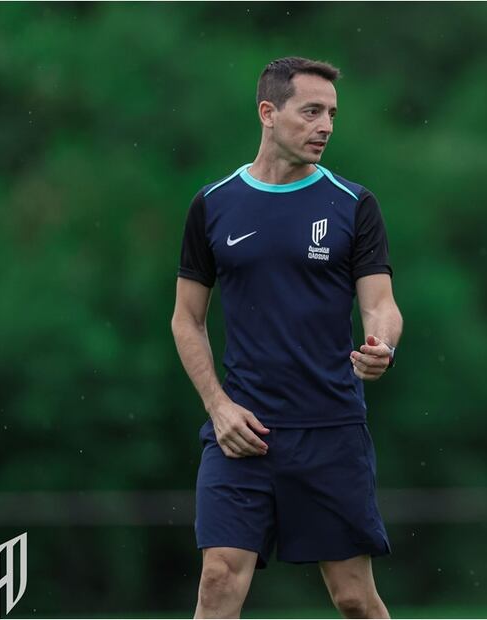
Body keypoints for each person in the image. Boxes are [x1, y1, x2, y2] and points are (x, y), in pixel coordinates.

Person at [171, 56, 402, 619]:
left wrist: (381, 345)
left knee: (353, 599)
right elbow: (186, 319)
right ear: (268, 113)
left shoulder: (353, 204)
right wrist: (218, 406)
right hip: (242, 434)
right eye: (312, 111)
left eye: (332, 113)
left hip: (330, 430)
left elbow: (381, 304)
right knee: (218, 579)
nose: (326, 125)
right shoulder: (213, 204)